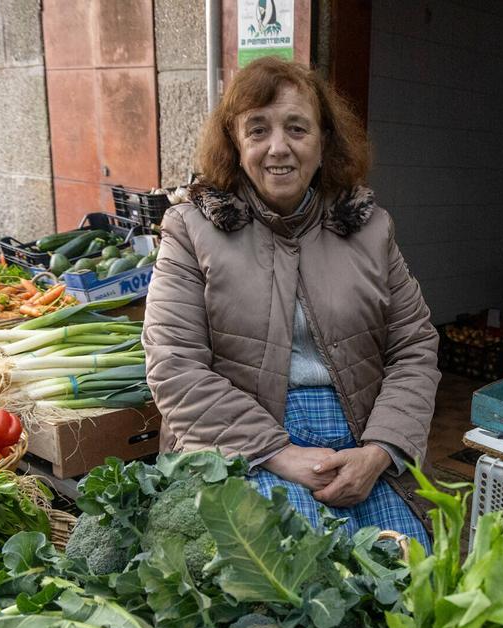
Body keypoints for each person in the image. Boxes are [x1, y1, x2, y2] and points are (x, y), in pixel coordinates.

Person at [143, 57, 440, 549]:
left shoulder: (370, 228)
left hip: (362, 428)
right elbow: (173, 366)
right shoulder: (191, 230)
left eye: (297, 128)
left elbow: (414, 349)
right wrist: (277, 451)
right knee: (300, 573)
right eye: (257, 130)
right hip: (243, 438)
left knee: (406, 568)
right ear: (236, 145)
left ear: (323, 142)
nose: (277, 148)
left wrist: (380, 451)